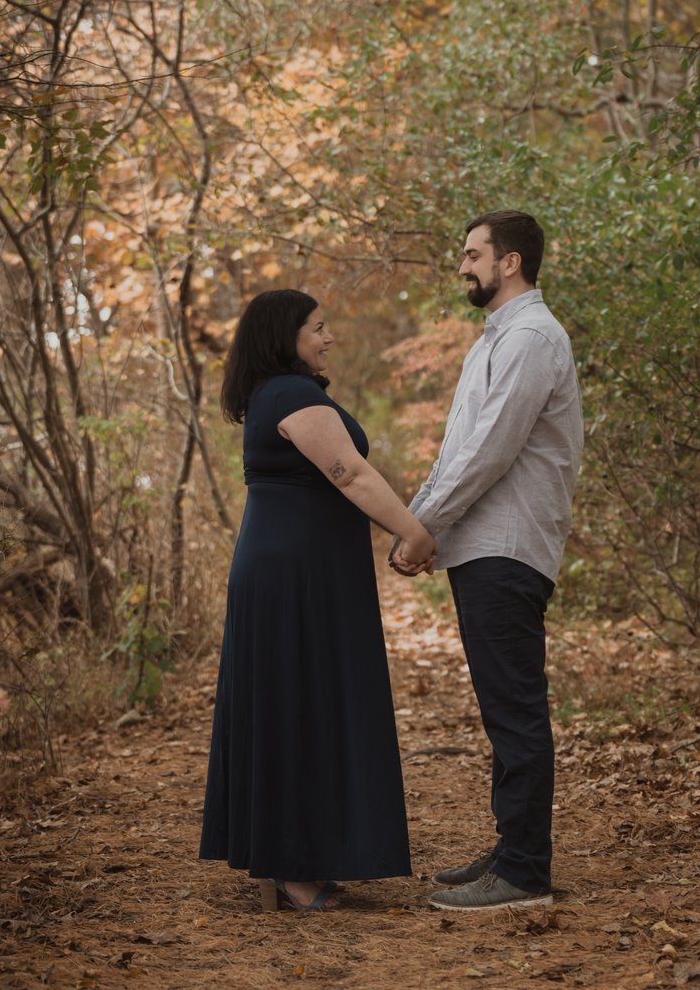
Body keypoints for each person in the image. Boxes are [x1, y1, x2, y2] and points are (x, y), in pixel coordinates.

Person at [200, 288, 436, 912]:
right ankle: (295, 871)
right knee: (299, 707)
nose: (328, 337)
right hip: (294, 578)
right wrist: (412, 530)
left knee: (304, 706)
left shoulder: (276, 394)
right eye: (318, 328)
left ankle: (303, 860)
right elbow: (350, 474)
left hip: (300, 571)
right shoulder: (290, 394)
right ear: (286, 336)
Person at [392, 211, 583, 911]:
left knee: (516, 711)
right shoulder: (497, 339)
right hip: (484, 546)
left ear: (509, 262)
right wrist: (422, 520)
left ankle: (526, 870)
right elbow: (458, 450)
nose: (462, 266)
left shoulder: (532, 337)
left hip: (508, 545)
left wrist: (421, 526)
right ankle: (512, 847)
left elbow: (490, 450)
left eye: (473, 254)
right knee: (503, 710)